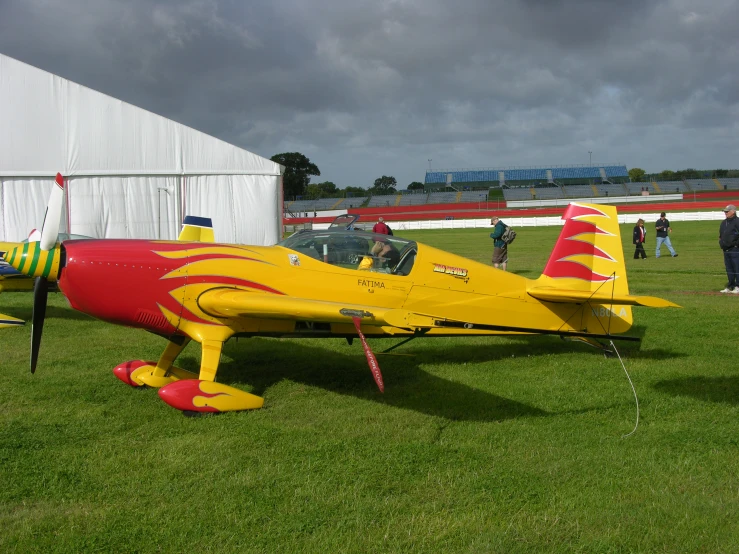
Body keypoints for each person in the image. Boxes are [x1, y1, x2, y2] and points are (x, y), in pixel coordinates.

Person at [718, 204, 739, 293]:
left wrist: (736, 244)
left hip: (735, 249)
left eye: (727, 211)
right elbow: (721, 235)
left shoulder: (737, 222)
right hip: (725, 249)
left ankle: (737, 286)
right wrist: (721, 243)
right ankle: (730, 285)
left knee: (737, 268)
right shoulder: (724, 222)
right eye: (725, 212)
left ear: (733, 212)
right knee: (729, 268)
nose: (725, 213)